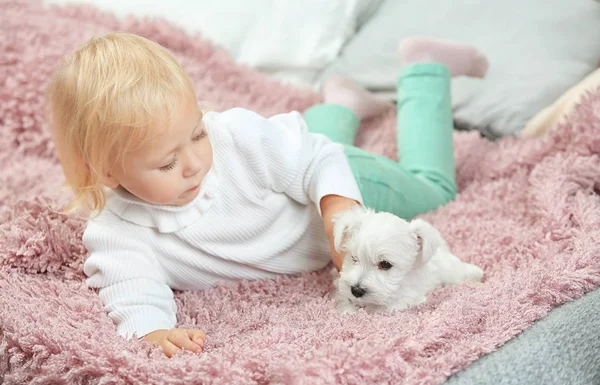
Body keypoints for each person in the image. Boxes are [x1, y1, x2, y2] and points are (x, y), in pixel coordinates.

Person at [47, 33, 488, 357]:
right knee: (296, 147)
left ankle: (426, 69)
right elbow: (130, 288)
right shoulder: (119, 231)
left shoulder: (235, 137)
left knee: (432, 187)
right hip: (295, 176)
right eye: (166, 162)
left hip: (349, 188)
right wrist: (154, 331)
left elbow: (314, 160)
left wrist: (340, 207)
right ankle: (341, 106)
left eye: (197, 132)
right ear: (106, 172)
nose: (196, 162)